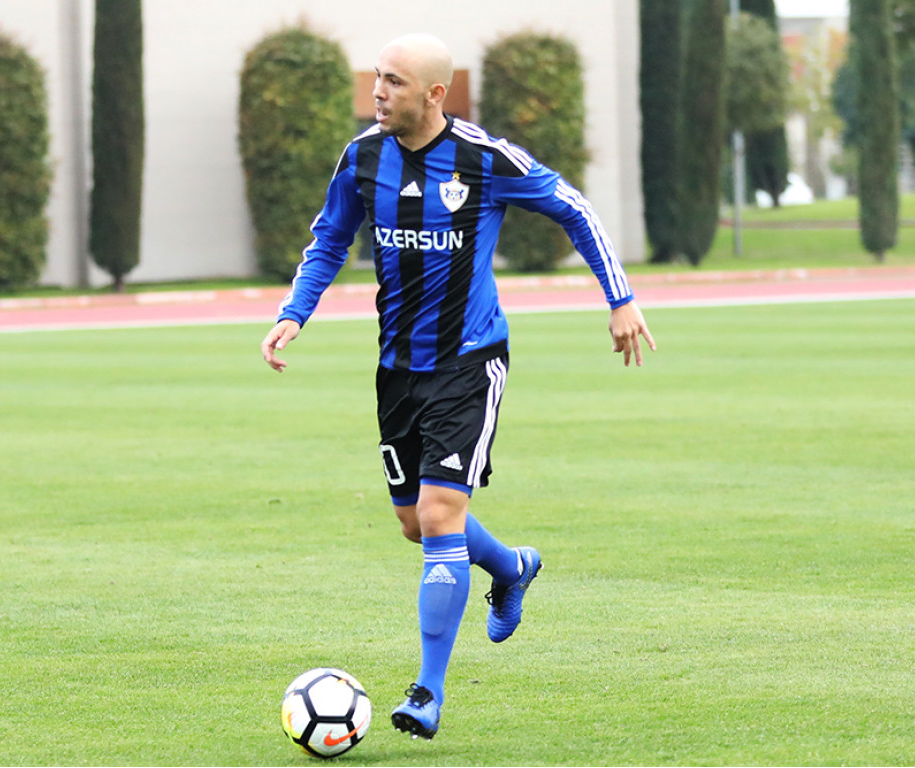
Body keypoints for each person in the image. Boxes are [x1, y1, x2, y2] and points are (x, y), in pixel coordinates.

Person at [261, 32, 655, 741]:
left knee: (441, 516)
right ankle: (512, 568)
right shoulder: (362, 158)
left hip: (470, 362)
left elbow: (576, 208)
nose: (378, 91)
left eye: (395, 81)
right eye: (377, 77)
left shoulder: (483, 158)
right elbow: (329, 239)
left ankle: (428, 692)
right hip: (397, 369)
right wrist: (295, 313)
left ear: (435, 94)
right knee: (415, 523)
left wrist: (620, 299)